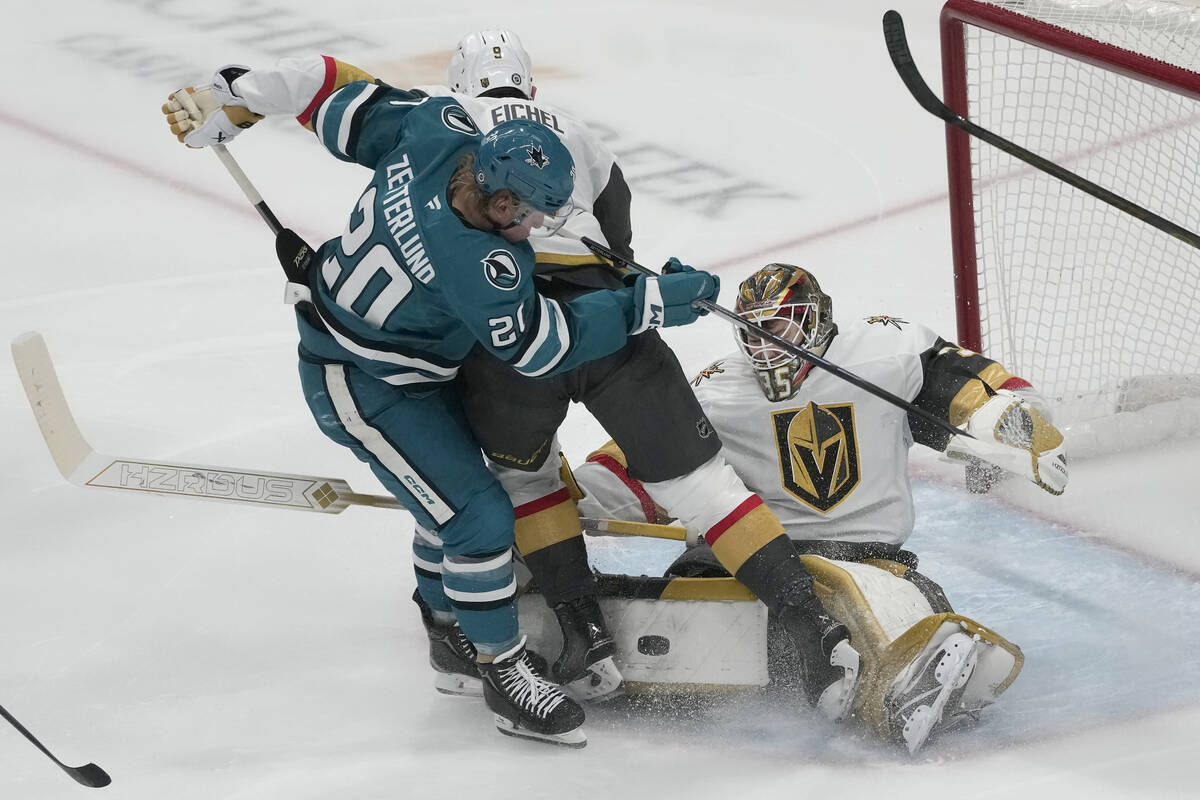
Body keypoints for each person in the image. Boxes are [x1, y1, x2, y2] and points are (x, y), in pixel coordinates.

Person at [159, 56, 721, 748]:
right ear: (501, 203)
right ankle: (504, 675)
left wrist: (237, 94)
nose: (539, 230)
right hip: (365, 381)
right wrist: (649, 304)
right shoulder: (478, 262)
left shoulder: (437, 129)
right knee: (478, 517)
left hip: (399, 358)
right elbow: (542, 347)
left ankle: (445, 624)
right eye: (534, 216)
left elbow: (329, 86)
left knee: (450, 499)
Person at [417, 30, 864, 714]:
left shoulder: (445, 128)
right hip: (610, 321)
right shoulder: (579, 132)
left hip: (513, 332)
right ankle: (813, 628)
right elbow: (619, 246)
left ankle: (584, 636)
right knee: (704, 487)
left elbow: (428, 249)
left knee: (528, 481)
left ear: (459, 87)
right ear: (531, 91)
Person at [571, 262, 1069, 753]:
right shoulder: (717, 389)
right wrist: (567, 502)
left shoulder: (886, 353)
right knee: (678, 606)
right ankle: (584, 642)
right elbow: (645, 460)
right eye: (752, 334)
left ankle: (898, 680)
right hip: (747, 556)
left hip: (865, 560)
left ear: (815, 319)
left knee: (868, 602)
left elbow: (973, 389)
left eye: (777, 328)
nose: (765, 347)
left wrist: (1012, 423)